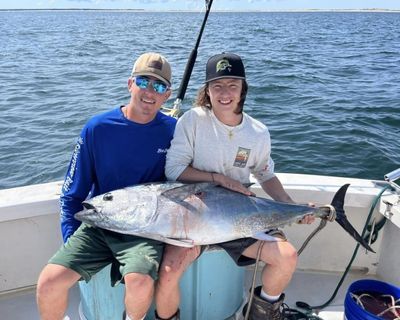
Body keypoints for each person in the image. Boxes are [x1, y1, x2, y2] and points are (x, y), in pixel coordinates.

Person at [154, 52, 315, 320]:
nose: (225, 93)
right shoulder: (192, 121)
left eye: (232, 85)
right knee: (169, 271)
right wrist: (219, 178)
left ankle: (260, 313)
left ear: (243, 89)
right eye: (217, 85)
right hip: (195, 214)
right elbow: (174, 170)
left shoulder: (258, 132)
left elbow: (265, 174)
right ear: (207, 90)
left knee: (287, 257)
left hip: (241, 216)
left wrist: (290, 205)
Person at [36, 52, 176, 320]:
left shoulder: (174, 131)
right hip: (99, 224)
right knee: (48, 283)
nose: (150, 91)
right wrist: (70, 241)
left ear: (167, 95)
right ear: (129, 83)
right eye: (144, 81)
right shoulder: (97, 128)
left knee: (140, 282)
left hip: (145, 228)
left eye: (159, 86)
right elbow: (72, 194)